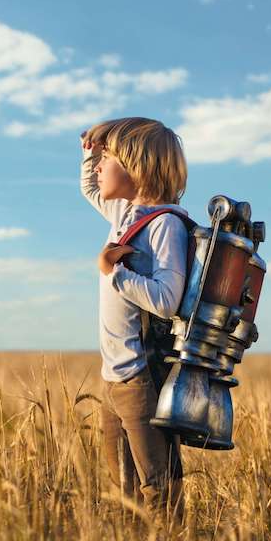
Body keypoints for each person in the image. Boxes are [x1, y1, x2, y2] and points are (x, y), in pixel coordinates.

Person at [80, 117, 190, 515]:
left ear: (136, 167)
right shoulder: (124, 215)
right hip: (115, 378)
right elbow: (90, 187)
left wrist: (116, 273)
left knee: (159, 487)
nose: (97, 167)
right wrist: (92, 148)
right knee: (123, 489)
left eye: (106, 159)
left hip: (142, 378)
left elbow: (166, 300)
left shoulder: (163, 225)